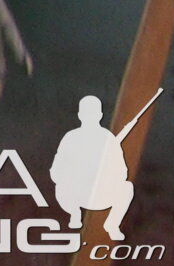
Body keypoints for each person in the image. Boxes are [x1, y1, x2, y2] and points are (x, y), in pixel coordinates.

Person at [53, 95, 134, 241]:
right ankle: (75, 214)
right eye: (87, 113)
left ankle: (112, 224)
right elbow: (56, 172)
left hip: (100, 195)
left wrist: (106, 173)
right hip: (74, 195)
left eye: (93, 113)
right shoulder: (70, 138)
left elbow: (122, 172)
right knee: (61, 186)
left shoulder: (108, 139)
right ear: (80, 115)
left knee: (127, 188)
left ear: (100, 115)